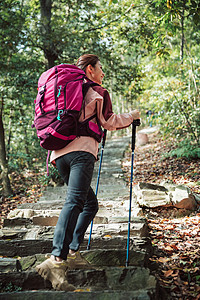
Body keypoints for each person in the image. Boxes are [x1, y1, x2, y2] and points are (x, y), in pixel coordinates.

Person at [35, 54, 140, 291]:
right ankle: (56, 260)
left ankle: (72, 252)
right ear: (90, 69)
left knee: (89, 204)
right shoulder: (95, 91)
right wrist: (132, 116)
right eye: (101, 69)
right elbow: (108, 121)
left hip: (58, 155)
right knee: (74, 201)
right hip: (81, 152)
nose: (103, 74)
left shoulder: (63, 89)